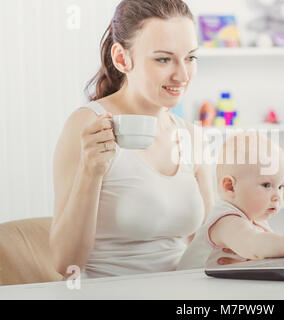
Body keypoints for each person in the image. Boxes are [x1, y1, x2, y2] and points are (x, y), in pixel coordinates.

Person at [49, 0, 215, 279]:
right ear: (122, 58)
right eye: (164, 59)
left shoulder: (192, 136)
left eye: (190, 57)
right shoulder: (86, 126)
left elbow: (210, 242)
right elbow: (66, 264)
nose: (183, 74)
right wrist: (91, 172)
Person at [177, 132, 284, 270]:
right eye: (266, 185)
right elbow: (256, 245)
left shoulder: (256, 220)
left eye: (281, 187)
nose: (277, 196)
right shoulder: (226, 221)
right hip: (189, 288)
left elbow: (270, 250)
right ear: (230, 187)